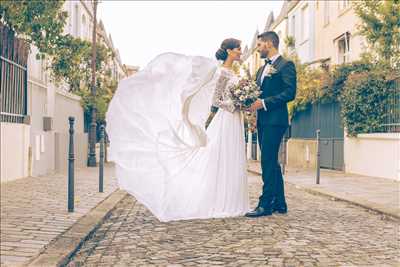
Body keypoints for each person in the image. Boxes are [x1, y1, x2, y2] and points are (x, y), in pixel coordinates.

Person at [106, 38, 250, 222]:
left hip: (236, 120)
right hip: (227, 118)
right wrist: (235, 104)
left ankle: (235, 200)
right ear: (229, 51)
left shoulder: (234, 72)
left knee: (233, 157)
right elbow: (216, 101)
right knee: (221, 158)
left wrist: (243, 103)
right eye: (238, 48)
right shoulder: (221, 73)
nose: (240, 51)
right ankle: (221, 201)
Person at [246, 31, 297, 218]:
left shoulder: (286, 65)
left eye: (259, 45)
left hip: (276, 121)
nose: (258, 48)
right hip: (262, 121)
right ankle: (280, 203)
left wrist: (265, 103)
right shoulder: (260, 70)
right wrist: (247, 102)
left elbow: (290, 93)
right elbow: (256, 93)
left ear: (269, 44)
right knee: (272, 163)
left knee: (267, 161)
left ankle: (265, 204)